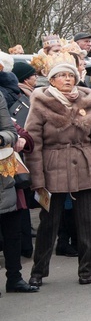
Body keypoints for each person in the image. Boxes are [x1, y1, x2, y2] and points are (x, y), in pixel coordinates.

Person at [25, 52, 91, 286]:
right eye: (61, 75)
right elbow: (34, 144)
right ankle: (38, 272)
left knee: (87, 222)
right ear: (51, 80)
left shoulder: (88, 101)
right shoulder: (41, 104)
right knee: (48, 224)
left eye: (70, 75)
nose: (67, 79)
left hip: (86, 167)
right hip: (53, 170)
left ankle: (86, 271)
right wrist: (37, 179)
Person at [0, 94, 39, 294]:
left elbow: (11, 131)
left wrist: (2, 138)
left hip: (4, 171)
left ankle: (14, 278)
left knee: (12, 230)